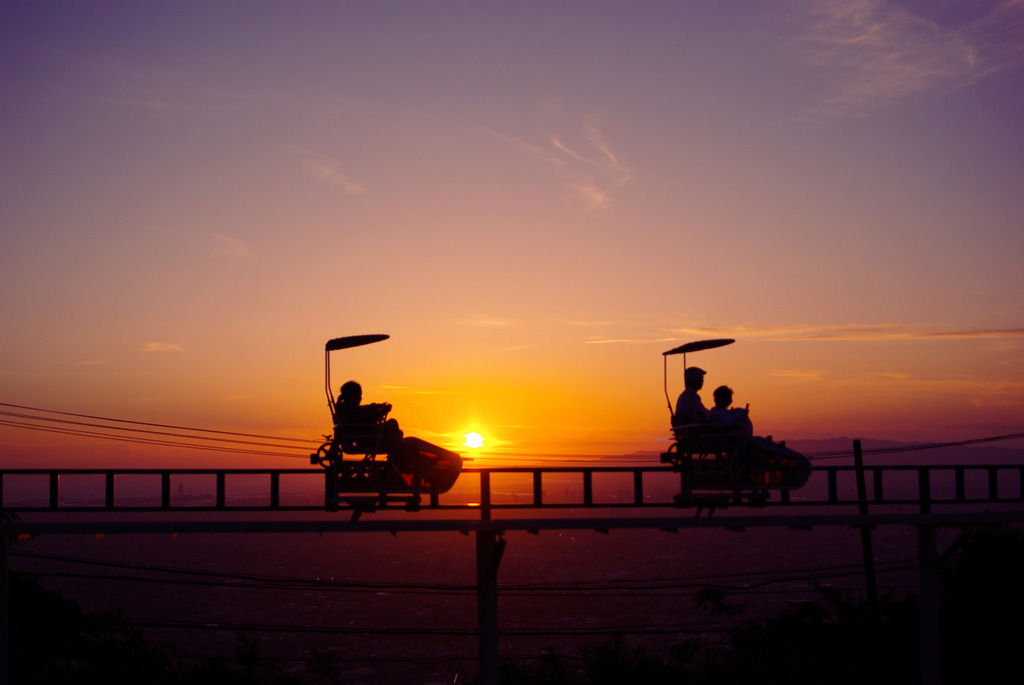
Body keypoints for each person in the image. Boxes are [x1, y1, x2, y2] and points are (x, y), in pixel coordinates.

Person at [332, 380, 403, 454]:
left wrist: (378, 406)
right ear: (353, 396)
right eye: (359, 395)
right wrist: (381, 412)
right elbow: (366, 419)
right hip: (366, 438)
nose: (361, 398)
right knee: (392, 423)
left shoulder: (346, 408)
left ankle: (397, 452)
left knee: (398, 432)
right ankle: (398, 453)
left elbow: (365, 409)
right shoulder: (351, 410)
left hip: (363, 435)